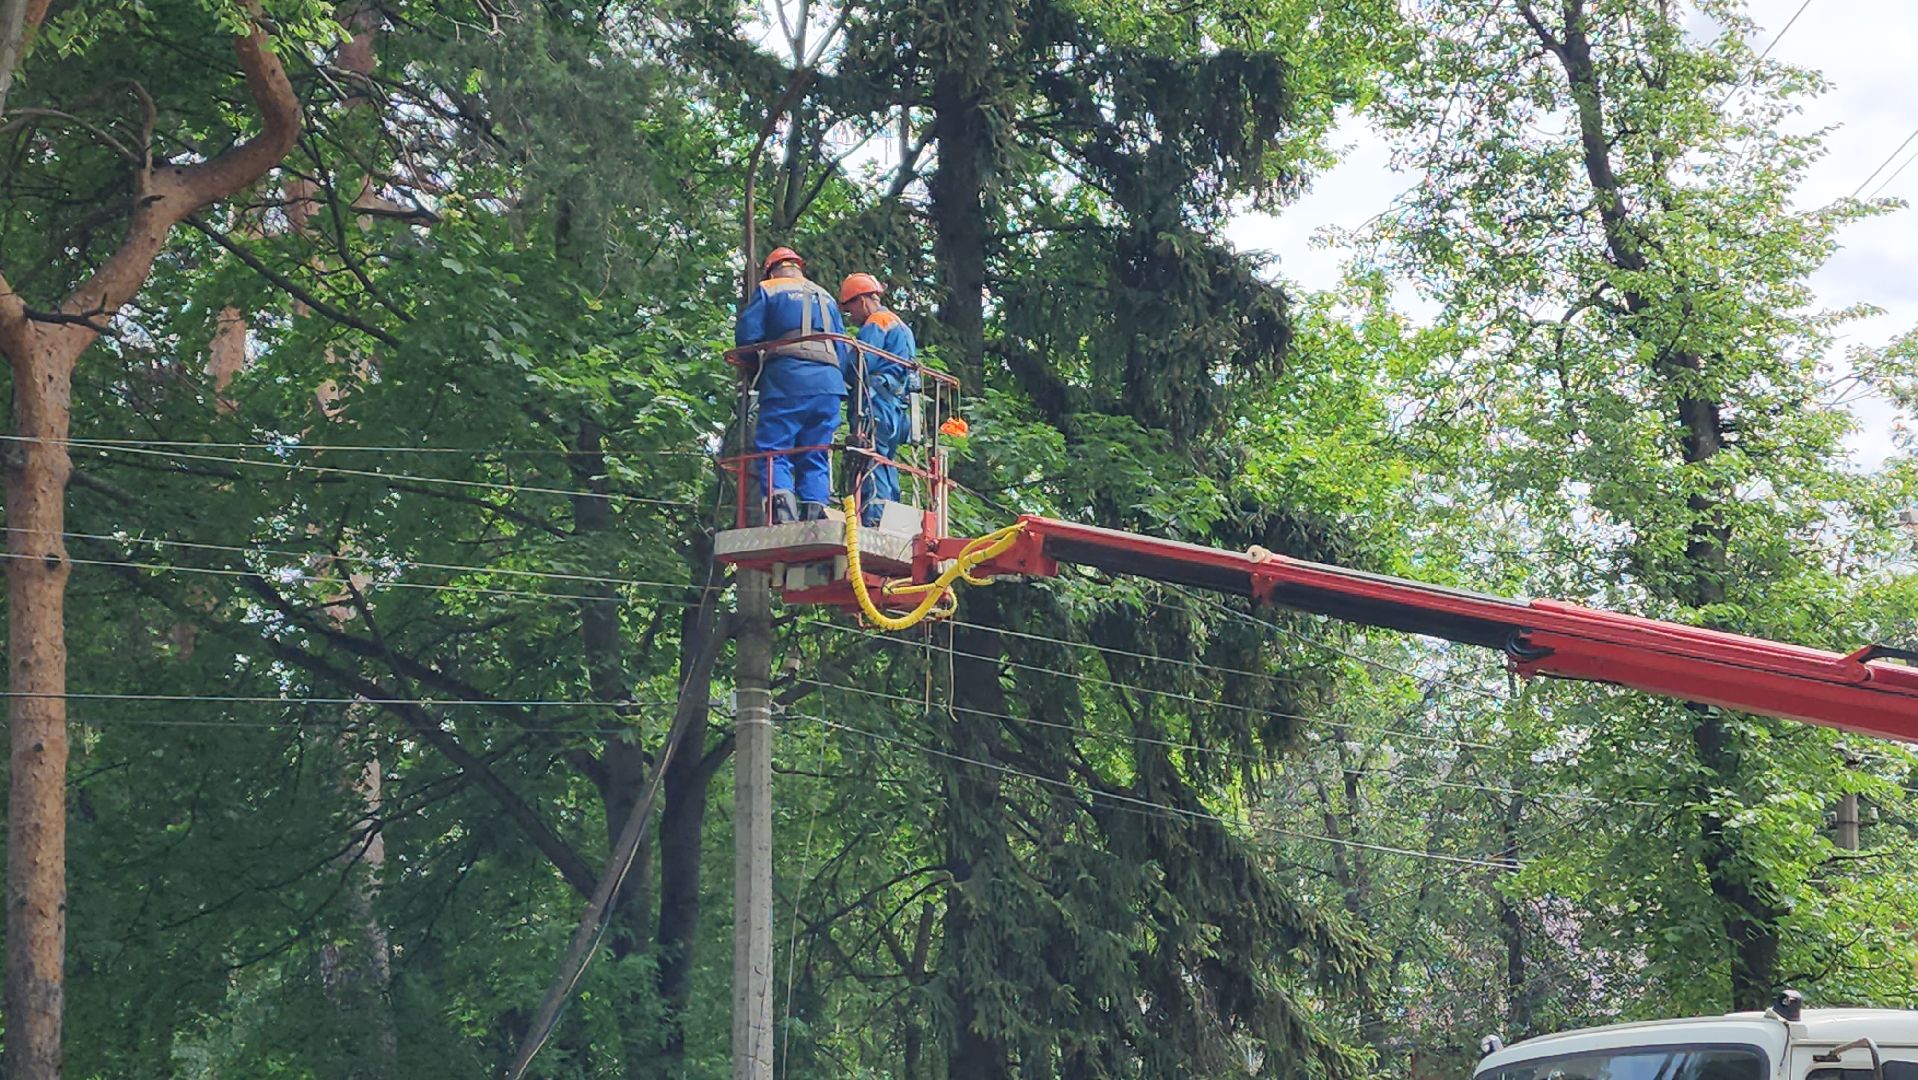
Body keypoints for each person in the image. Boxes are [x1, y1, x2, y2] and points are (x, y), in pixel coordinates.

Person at [734, 247, 853, 523]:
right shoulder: (825, 296)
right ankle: (815, 511)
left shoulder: (769, 289)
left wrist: (753, 365)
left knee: (775, 448)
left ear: (772, 270)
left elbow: (748, 338)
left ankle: (782, 514)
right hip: (829, 385)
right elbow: (842, 348)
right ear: (799, 268)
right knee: (816, 449)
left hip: (788, 379)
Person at [839, 272, 917, 527]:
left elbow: (859, 364)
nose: (851, 317)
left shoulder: (877, 323)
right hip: (894, 406)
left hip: (877, 402)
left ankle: (873, 519)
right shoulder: (902, 327)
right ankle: (888, 518)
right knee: (884, 461)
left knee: (869, 457)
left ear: (861, 300)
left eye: (850, 309)